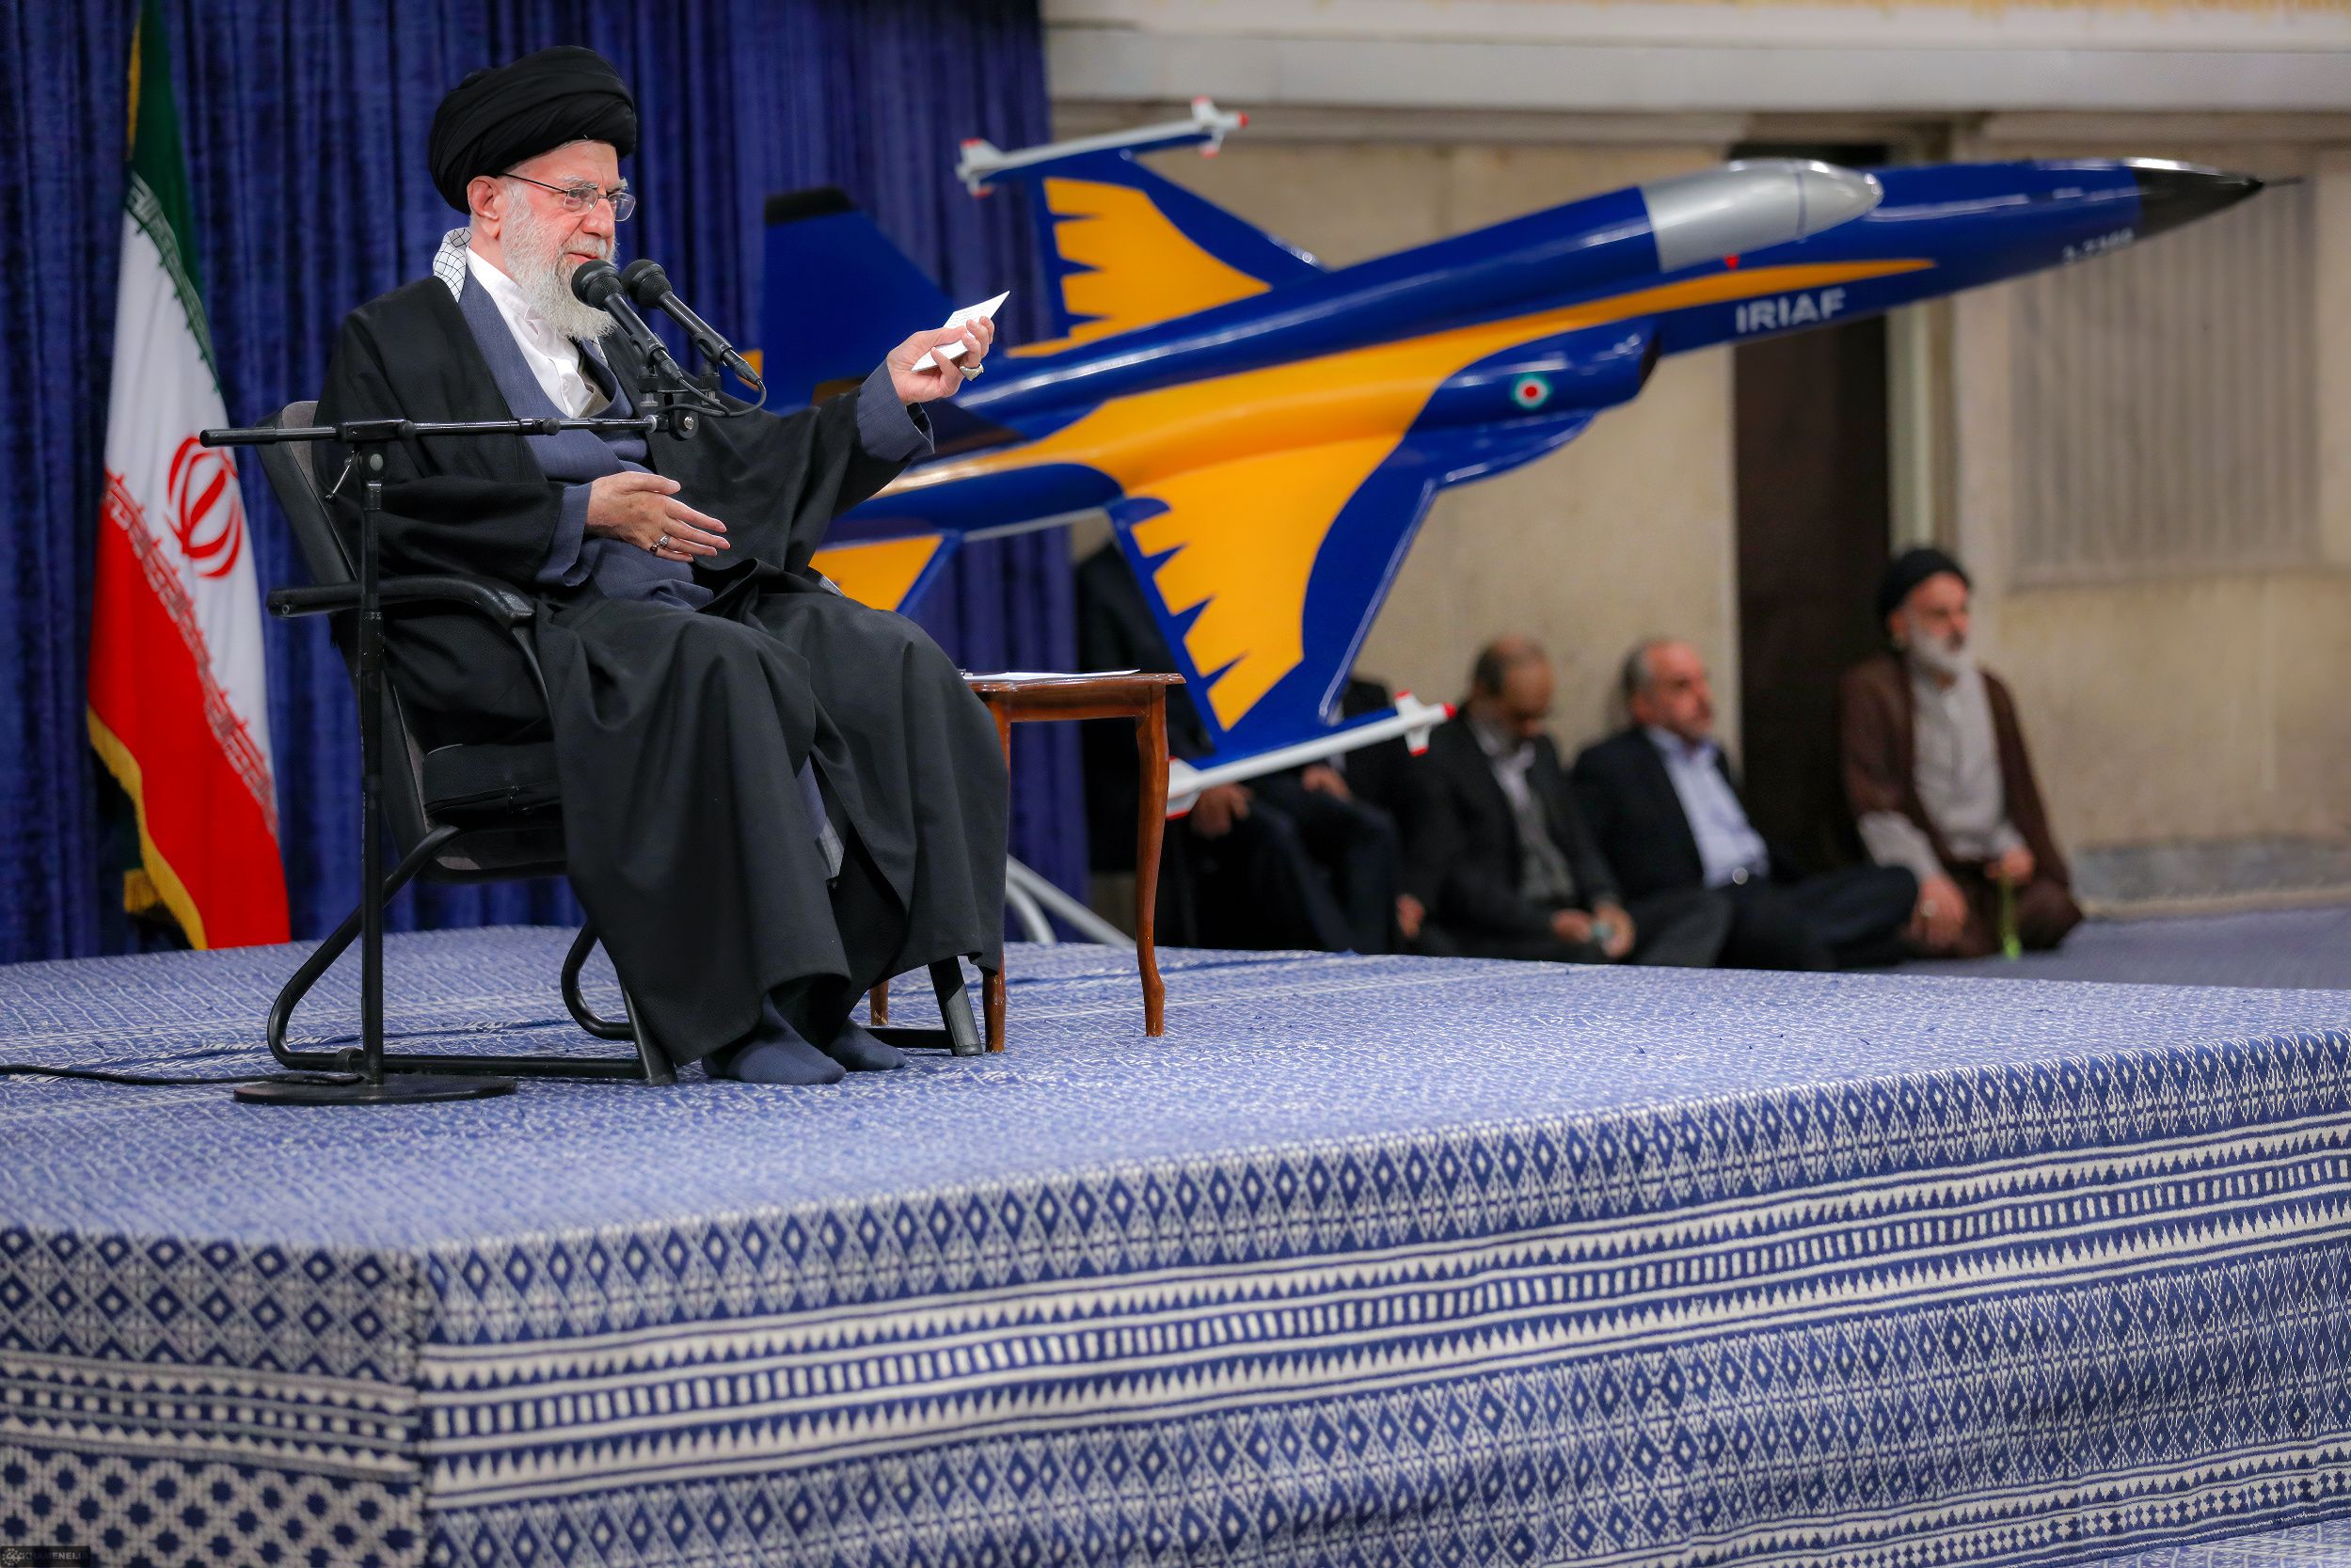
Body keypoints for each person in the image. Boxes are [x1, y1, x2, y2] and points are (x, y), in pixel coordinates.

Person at [313, 47, 1009, 1085]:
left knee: (882, 656)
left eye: (613, 198)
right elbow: (382, 507)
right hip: (531, 626)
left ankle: (827, 989)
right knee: (721, 665)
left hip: (676, 605)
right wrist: (576, 509)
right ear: (489, 200)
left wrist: (888, 396)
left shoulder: (613, 335)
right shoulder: (397, 336)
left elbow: (731, 461)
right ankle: (742, 1015)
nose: (601, 221)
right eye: (577, 195)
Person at [1074, 544, 1403, 952]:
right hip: (1160, 776)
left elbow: (1258, 674)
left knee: (1368, 830)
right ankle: (1338, 969)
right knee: (1272, 833)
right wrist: (1191, 778)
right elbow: (1114, 706)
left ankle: (1376, 971)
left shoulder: (1196, 571)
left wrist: (1310, 760)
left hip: (1239, 763)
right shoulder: (1100, 582)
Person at [1574, 639, 1914, 970]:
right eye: (1681, 686)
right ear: (1642, 704)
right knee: (1789, 930)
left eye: (1702, 681)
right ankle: (1838, 949)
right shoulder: (1612, 764)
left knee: (1898, 882)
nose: (1703, 697)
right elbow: (1598, 857)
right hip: (1713, 901)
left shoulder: (1715, 756)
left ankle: (1802, 949)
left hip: (1766, 890)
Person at [1408, 637, 1729, 966]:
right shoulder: (1443, 757)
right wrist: (1546, 923)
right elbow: (1454, 877)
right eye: (1521, 717)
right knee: (1582, 954)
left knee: (1702, 908)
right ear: (1482, 694)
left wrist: (1605, 901)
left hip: (1573, 915)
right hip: (1507, 929)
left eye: (1541, 715)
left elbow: (1578, 841)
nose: (1533, 729)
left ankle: (1646, 997)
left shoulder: (1542, 750)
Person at [1839, 548, 2083, 957]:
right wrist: (1926, 878)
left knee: (2052, 910)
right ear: (1900, 624)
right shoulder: (1872, 692)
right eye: (1939, 615)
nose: (1957, 627)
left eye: (1962, 612)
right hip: (1928, 869)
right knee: (1912, 923)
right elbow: (1876, 808)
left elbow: (2017, 796)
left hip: (1989, 873)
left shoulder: (1992, 691)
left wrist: (2014, 848)